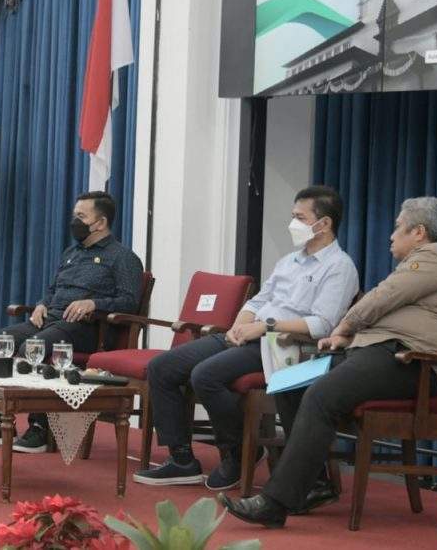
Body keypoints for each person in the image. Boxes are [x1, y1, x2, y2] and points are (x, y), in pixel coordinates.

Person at [221, 196, 437, 528]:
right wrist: (346, 339)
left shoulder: (434, 259)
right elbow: (381, 303)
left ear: (420, 232)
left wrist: (343, 328)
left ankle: (275, 502)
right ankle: (315, 484)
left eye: (398, 227)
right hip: (380, 354)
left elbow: (382, 297)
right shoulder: (425, 263)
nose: (391, 235)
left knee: (321, 396)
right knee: (289, 383)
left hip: (409, 363)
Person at [133, 185, 358, 491]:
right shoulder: (290, 261)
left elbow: (322, 324)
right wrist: (241, 324)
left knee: (205, 376)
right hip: (250, 335)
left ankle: (240, 453)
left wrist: (265, 327)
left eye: (300, 217)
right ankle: (182, 460)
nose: (293, 224)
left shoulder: (340, 267)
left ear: (325, 223)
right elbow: (258, 300)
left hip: (283, 346)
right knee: (163, 367)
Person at [0, 190, 143, 453]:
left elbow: (129, 301)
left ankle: (39, 428)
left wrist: (95, 303)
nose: (74, 222)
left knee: (33, 348)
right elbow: (54, 288)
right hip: (51, 322)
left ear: (100, 223)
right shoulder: (72, 252)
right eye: (74, 215)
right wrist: (43, 303)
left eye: (81, 216)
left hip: (88, 329)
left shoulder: (122, 258)